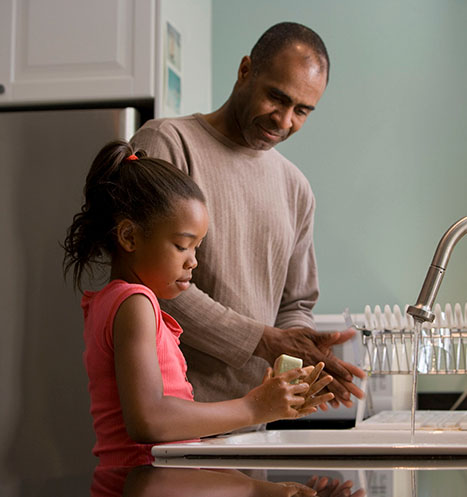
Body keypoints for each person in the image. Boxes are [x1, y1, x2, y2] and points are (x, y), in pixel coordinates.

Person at [130, 22, 365, 408]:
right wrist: (263, 340)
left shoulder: (296, 188)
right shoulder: (167, 144)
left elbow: (296, 304)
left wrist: (301, 354)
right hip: (172, 415)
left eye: (302, 110)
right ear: (245, 71)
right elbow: (148, 281)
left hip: (254, 419)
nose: (284, 120)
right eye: (277, 97)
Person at [62, 140, 334, 467]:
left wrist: (266, 403)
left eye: (197, 248)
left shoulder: (113, 301)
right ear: (129, 237)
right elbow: (150, 420)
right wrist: (254, 408)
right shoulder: (135, 303)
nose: (193, 262)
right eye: (182, 246)